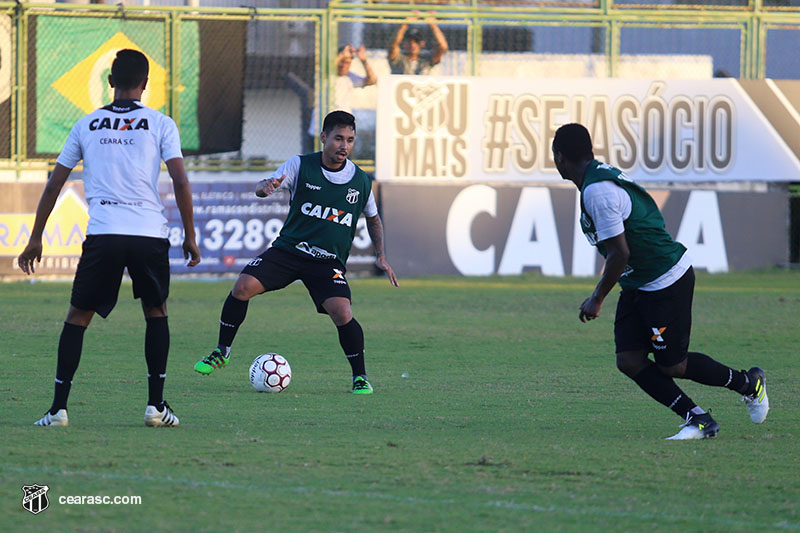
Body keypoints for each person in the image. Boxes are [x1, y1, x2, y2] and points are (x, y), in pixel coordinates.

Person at [17, 49, 201, 428]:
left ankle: (58, 410)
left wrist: (36, 237)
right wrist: (190, 236)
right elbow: (181, 181)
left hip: (104, 233)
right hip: (148, 234)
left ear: (110, 81)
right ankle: (156, 407)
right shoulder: (161, 123)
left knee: (78, 316)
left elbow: (55, 183)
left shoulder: (86, 124)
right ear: (145, 84)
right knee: (156, 311)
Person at [552, 123, 769, 440]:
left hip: (665, 280)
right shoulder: (596, 180)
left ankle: (749, 384)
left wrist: (597, 298)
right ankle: (698, 419)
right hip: (638, 282)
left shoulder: (598, 190)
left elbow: (620, 254)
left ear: (559, 157)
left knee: (673, 366)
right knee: (629, 360)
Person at [194, 110, 398, 394]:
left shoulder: (360, 181)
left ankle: (360, 377)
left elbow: (373, 219)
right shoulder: (300, 165)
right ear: (323, 137)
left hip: (327, 262)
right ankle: (222, 352)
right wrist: (265, 188)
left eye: (350, 140)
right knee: (242, 287)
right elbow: (261, 188)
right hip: (289, 251)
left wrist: (381, 255)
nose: (344, 146)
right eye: (338, 138)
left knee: (342, 311)